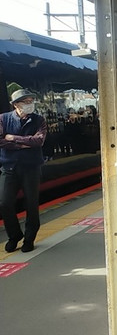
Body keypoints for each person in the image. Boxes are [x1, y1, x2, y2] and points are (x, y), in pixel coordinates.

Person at [0, 86, 47, 253]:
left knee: (31, 203)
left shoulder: (39, 120)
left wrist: (13, 138)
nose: (30, 104)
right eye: (26, 102)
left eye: (31, 101)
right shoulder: (3, 119)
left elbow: (38, 141)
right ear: (15, 105)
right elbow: (0, 141)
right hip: (9, 167)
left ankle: (29, 238)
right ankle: (14, 235)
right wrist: (25, 143)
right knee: (4, 203)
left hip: (31, 167)